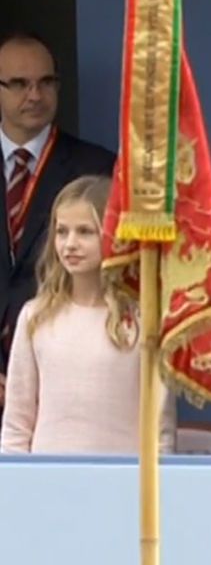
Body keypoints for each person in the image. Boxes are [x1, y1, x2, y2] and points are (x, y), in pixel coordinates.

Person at [0, 176, 176, 454]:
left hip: (121, 482)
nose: (70, 244)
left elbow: (160, 427)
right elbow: (16, 424)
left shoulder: (144, 320)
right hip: (47, 482)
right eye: (61, 232)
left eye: (85, 232)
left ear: (114, 235)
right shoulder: (36, 316)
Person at [0, 32, 115, 413]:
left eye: (45, 82)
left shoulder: (97, 168)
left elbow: (115, 279)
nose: (34, 95)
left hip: (63, 381)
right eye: (19, 83)